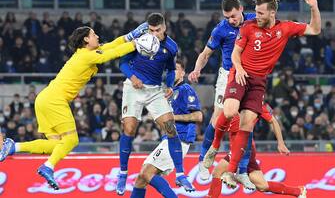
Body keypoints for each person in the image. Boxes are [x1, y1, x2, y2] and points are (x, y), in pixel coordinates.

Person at [0, 25, 149, 190]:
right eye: (94, 34)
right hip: (55, 100)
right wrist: (136, 44)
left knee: (57, 145)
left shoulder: (87, 54)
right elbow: (111, 54)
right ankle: (48, 166)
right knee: (72, 140)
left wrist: (131, 36)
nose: (97, 36)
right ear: (86, 39)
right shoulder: (86, 56)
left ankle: (14, 146)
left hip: (44, 99)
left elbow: (111, 45)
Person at [213, 0, 321, 188]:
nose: (257, 16)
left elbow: (315, 29)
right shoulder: (247, 27)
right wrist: (238, 69)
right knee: (228, 111)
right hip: (241, 74)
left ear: (272, 13)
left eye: (261, 13)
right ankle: (213, 147)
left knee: (246, 125)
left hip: (258, 82)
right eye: (256, 11)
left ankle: (231, 173)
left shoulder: (286, 28)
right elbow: (235, 54)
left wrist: (313, 6)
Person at [117, 13, 194, 195]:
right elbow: (123, 63)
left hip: (154, 90)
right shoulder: (139, 38)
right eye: (150, 30)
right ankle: (122, 173)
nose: (153, 34)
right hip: (133, 87)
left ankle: (181, 173)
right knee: (129, 129)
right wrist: (132, 76)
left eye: (157, 30)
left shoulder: (171, 47)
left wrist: (168, 85)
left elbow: (169, 70)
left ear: (164, 27)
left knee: (170, 127)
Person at [187, 0, 256, 180]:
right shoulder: (220, 29)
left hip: (249, 76)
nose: (230, 20)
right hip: (228, 75)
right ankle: (203, 160)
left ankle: (242, 170)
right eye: (227, 17)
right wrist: (196, 69)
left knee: (245, 121)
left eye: (233, 16)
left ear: (241, 8)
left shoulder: (254, 20)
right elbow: (206, 53)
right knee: (219, 117)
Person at [130, 59, 202, 198]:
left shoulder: (185, 90)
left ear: (183, 73)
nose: (172, 72)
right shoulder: (169, 92)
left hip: (179, 139)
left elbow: (198, 116)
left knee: (146, 173)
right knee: (140, 179)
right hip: (168, 140)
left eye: (175, 69)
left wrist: (171, 117)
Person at [206, 106, 306, 198]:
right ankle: (298, 191)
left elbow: (273, 121)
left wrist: (281, 143)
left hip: (244, 148)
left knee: (217, 172)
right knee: (263, 186)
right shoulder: (233, 103)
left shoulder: (255, 103)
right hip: (240, 148)